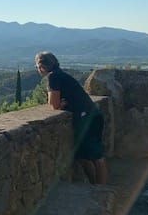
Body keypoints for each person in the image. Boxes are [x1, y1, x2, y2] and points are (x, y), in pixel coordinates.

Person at [35, 51, 108, 184]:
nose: (37, 69)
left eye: (37, 66)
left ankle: (101, 190)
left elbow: (54, 104)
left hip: (85, 118)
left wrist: (59, 103)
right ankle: (97, 187)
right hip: (93, 114)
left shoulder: (53, 77)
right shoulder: (61, 74)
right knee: (85, 156)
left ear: (42, 67)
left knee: (95, 156)